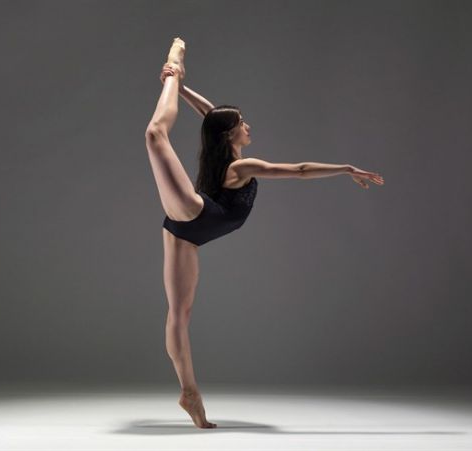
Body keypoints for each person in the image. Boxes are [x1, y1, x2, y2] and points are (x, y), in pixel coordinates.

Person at [145, 37, 384, 429]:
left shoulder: (232, 158)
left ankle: (189, 393)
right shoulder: (244, 166)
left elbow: (211, 115)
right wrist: (345, 167)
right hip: (194, 214)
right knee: (155, 135)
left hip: (189, 234)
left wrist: (187, 88)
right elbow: (300, 169)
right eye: (242, 124)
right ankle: (173, 66)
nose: (248, 126)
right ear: (229, 135)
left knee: (180, 314)